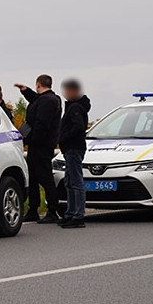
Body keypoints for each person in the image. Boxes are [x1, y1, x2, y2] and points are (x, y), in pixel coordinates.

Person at [14, 75, 62, 223]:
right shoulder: (48, 99)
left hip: (41, 145)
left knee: (45, 178)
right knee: (33, 178)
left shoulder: (48, 101)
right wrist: (25, 91)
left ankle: (52, 210)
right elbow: (37, 100)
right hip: (39, 145)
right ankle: (33, 210)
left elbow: (41, 125)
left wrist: (28, 140)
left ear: (38, 84)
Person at [58, 79, 90, 229]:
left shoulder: (76, 108)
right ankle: (70, 213)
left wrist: (64, 137)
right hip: (70, 149)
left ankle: (78, 215)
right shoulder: (73, 106)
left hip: (73, 148)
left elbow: (78, 127)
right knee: (69, 182)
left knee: (76, 182)